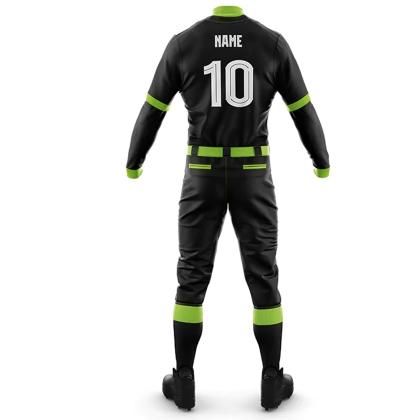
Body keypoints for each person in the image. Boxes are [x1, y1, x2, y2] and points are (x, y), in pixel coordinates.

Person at [126, 5, 330, 411]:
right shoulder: (272, 43)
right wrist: (321, 160)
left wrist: (134, 162)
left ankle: (183, 380)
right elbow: (302, 109)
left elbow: (153, 109)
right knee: (263, 272)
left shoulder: (183, 44)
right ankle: (271, 380)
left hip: (200, 175)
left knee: (192, 273)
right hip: (253, 176)